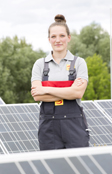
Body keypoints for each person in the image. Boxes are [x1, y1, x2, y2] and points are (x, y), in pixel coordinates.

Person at [31, 14, 90, 150]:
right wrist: (69, 90)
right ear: (49, 39)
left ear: (69, 38)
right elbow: (37, 96)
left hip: (75, 126)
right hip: (48, 130)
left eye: (62, 36)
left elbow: (78, 93)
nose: (58, 40)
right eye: (53, 36)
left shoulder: (79, 63)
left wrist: (46, 89)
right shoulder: (40, 65)